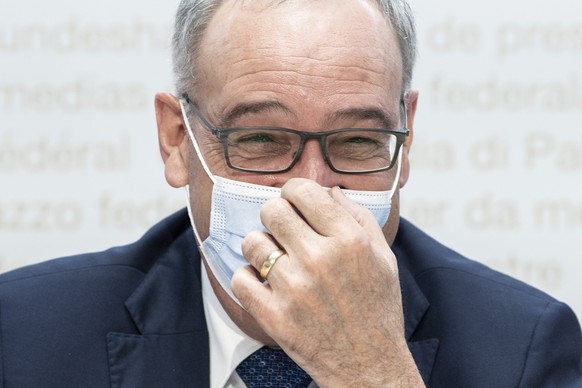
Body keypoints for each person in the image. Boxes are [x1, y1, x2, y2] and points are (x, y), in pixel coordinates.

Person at [0, 0, 581, 387]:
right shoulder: (25, 334)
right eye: (260, 138)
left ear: (406, 140)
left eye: (357, 141)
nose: (310, 188)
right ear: (177, 141)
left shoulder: (524, 350)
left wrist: (371, 371)